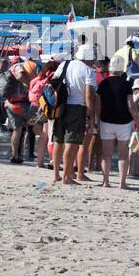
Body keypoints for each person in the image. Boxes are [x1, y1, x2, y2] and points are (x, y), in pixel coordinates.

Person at [53, 44, 97, 185]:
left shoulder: (65, 65)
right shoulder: (88, 71)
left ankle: (56, 175)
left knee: (58, 141)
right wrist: (90, 116)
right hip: (78, 107)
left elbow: (54, 82)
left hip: (61, 106)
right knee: (71, 143)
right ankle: (67, 177)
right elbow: (89, 95)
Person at [96, 58, 139, 188]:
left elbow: (98, 105)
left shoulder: (103, 84)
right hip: (124, 122)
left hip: (106, 121)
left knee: (107, 154)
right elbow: (130, 105)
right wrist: (138, 120)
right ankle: (122, 183)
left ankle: (106, 182)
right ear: (122, 69)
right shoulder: (126, 84)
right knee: (123, 154)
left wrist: (97, 121)